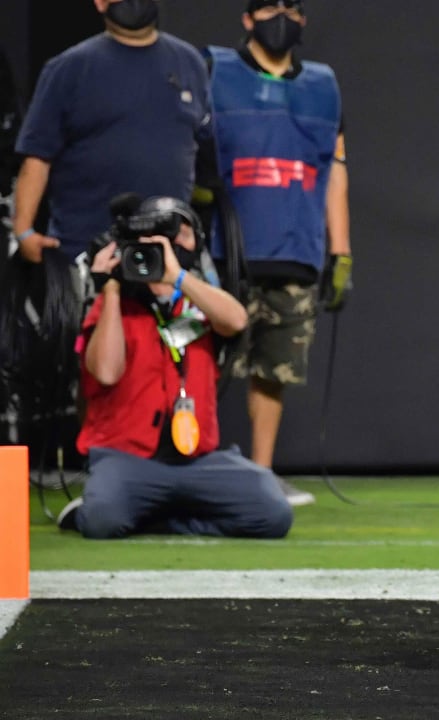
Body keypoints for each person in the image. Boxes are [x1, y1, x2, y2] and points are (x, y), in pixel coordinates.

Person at [57, 196, 293, 539]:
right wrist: (110, 287)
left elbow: (237, 319)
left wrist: (177, 276)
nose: (177, 245)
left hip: (197, 460)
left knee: (273, 514)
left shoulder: (197, 301)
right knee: (101, 520)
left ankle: (159, 518)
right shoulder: (116, 306)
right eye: (169, 237)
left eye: (184, 236)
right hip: (129, 459)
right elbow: (106, 371)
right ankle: (134, 507)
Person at [201, 0, 352, 506]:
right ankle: (193, 470)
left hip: (296, 251)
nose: (281, 16)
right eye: (269, 6)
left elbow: (335, 170)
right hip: (225, 253)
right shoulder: (213, 70)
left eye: (291, 7)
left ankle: (260, 475)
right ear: (247, 18)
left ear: (305, 19)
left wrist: (341, 251)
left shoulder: (323, 86)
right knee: (203, 364)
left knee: (274, 370)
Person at [12, 0, 210, 270]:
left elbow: (202, 148)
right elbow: (37, 156)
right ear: (100, 3)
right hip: (83, 251)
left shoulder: (190, 63)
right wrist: (23, 230)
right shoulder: (69, 67)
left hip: (169, 253)